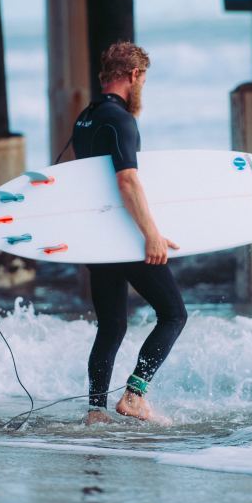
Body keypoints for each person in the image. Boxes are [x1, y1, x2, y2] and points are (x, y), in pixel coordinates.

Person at [70, 41, 188, 425]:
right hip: (122, 237)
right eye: (143, 80)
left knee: (112, 325)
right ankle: (136, 394)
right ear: (134, 76)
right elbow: (126, 181)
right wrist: (152, 234)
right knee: (173, 314)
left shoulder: (85, 119)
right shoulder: (121, 121)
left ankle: (95, 411)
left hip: (98, 238)